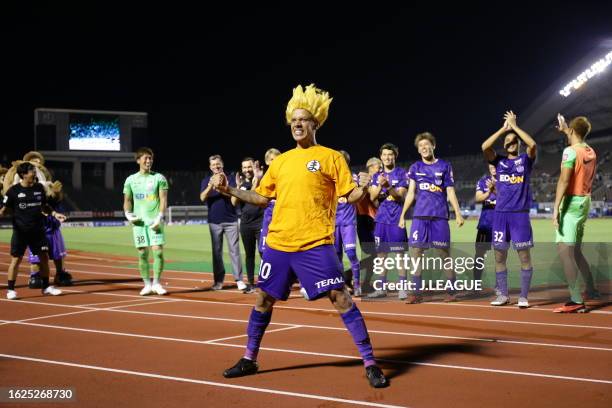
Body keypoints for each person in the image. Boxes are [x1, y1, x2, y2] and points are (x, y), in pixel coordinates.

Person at [212, 84, 387, 388]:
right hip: (279, 244)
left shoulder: (331, 157)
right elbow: (260, 197)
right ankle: (249, 358)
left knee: (341, 297)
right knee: (263, 299)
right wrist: (229, 190)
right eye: (293, 119)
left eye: (303, 119)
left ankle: (370, 362)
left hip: (315, 244)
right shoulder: (279, 162)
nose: (296, 123)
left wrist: (367, 185)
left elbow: (352, 194)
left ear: (315, 124)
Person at [399, 132, 465, 303]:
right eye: (421, 146)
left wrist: (457, 213)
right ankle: (415, 292)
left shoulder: (445, 166)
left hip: (439, 217)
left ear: (433, 146)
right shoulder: (415, 167)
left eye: (427, 145)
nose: (424, 148)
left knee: (444, 255)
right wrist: (402, 215)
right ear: (418, 150)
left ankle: (451, 291)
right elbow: (411, 193)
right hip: (419, 217)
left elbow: (450, 191)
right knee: (416, 253)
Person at [482, 111, 537, 308]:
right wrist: (503, 130)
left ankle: (523, 296)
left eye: (514, 140)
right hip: (500, 216)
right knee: (499, 256)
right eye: (508, 141)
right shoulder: (499, 161)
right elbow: (485, 146)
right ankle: (503, 295)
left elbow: (533, 145)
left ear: (518, 143)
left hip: (519, 216)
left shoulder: (525, 160)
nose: (511, 142)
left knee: (524, 256)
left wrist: (514, 127)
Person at [552, 115, 598, 313]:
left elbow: (563, 180)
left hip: (570, 203)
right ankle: (591, 288)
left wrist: (555, 208)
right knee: (576, 250)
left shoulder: (569, 152)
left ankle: (576, 299)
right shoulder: (590, 151)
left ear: (572, 131)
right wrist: (566, 129)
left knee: (565, 252)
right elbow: (577, 141)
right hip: (585, 201)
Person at [0, 162, 64, 300]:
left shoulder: (39, 188)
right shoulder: (13, 191)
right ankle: (10, 290)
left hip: (37, 231)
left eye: (34, 171)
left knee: (44, 259)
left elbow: (45, 206)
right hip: (20, 232)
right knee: (16, 260)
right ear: (23, 174)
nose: (34, 174)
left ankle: (46, 287)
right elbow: (4, 210)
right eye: (31, 171)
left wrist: (54, 214)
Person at [123, 147, 169, 296]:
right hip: (139, 224)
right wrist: (128, 214)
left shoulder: (159, 178)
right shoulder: (130, 180)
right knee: (142, 253)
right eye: (145, 158)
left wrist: (160, 217)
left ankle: (156, 283)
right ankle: (147, 284)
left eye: (150, 158)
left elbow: (163, 199)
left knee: (158, 252)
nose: (148, 161)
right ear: (138, 160)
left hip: (154, 221)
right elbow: (127, 200)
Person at [367, 143, 408, 299]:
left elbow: (400, 196)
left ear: (395, 156)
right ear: (381, 157)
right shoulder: (377, 175)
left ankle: (403, 288)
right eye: (384, 155)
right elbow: (372, 197)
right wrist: (380, 185)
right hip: (381, 220)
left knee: (399, 255)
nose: (387, 157)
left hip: (397, 219)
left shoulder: (402, 173)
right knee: (381, 256)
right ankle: (381, 288)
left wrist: (388, 186)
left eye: (390, 154)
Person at [200, 155, 245, 291]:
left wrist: (222, 188)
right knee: (217, 252)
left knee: (234, 251)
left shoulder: (230, 178)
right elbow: (202, 197)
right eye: (213, 165)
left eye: (218, 164)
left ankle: (239, 280)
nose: (216, 166)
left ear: (222, 165)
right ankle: (218, 281)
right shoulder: (206, 180)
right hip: (214, 222)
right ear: (210, 167)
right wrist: (210, 186)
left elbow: (233, 196)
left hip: (231, 220)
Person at [232, 157, 265, 294]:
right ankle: (251, 283)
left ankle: (266, 282)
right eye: (244, 167)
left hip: (261, 221)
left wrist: (258, 180)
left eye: (249, 167)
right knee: (249, 254)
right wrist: (238, 187)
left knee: (264, 253)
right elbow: (234, 202)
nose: (247, 170)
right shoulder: (242, 184)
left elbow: (253, 195)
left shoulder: (264, 181)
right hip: (246, 223)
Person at [335, 150, 362, 296]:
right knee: (336, 255)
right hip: (333, 223)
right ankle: (341, 285)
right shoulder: (329, 178)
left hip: (348, 222)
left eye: (342, 160)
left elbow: (358, 194)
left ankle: (357, 284)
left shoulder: (353, 178)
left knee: (351, 253)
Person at [471, 164, 497, 296]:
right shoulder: (483, 181)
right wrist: (489, 191)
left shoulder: (506, 180)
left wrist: (495, 190)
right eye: (491, 165)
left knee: (500, 255)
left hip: (501, 224)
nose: (493, 167)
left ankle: (500, 285)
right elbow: (478, 198)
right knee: (479, 255)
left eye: (496, 165)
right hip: (485, 224)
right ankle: (476, 284)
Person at [356, 157, 381, 294]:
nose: (381, 169)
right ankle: (349, 275)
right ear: (370, 167)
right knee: (374, 255)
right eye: (379, 167)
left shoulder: (372, 180)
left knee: (375, 256)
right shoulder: (365, 179)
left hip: (370, 219)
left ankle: (364, 282)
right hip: (366, 219)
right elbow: (374, 200)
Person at [256, 148, 281, 255]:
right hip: (269, 216)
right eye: (272, 159)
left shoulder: (285, 176)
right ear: (267, 161)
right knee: (264, 249)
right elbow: (257, 197)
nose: (275, 161)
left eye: (278, 159)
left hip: (283, 215)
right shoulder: (264, 178)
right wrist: (257, 179)